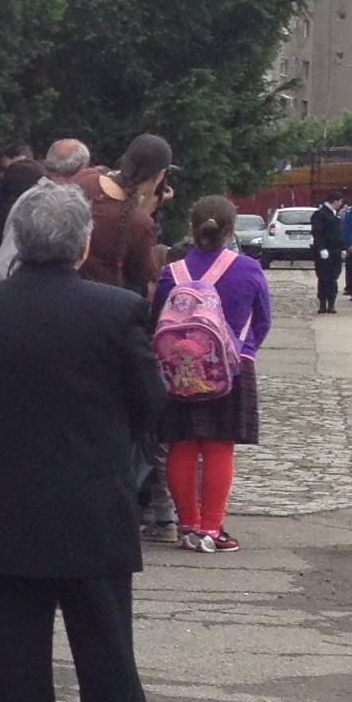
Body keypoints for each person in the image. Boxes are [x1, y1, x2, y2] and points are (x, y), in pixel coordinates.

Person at [0, 183, 172, 702]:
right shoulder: (116, 310)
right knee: (104, 638)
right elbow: (149, 400)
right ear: (83, 244)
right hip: (87, 496)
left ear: (17, 241)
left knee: (11, 637)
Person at [154, 195, 271, 553]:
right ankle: (212, 528)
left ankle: (188, 525)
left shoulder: (172, 273)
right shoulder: (248, 268)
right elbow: (263, 319)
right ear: (231, 231)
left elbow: (157, 321)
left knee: (182, 444)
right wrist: (245, 350)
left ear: (192, 228)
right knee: (220, 446)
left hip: (179, 371)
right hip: (232, 368)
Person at [74, 133, 171, 295]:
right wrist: (144, 215)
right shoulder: (140, 222)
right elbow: (142, 276)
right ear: (159, 175)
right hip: (103, 297)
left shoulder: (86, 180)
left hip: (65, 282)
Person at [309, 195, 345, 313]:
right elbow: (317, 233)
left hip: (335, 250)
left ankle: (331, 303)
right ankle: (323, 303)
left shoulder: (335, 214)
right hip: (324, 251)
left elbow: (339, 234)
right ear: (334, 201)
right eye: (340, 201)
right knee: (324, 278)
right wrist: (321, 248)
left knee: (333, 277)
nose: (341, 204)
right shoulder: (320, 214)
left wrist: (343, 248)